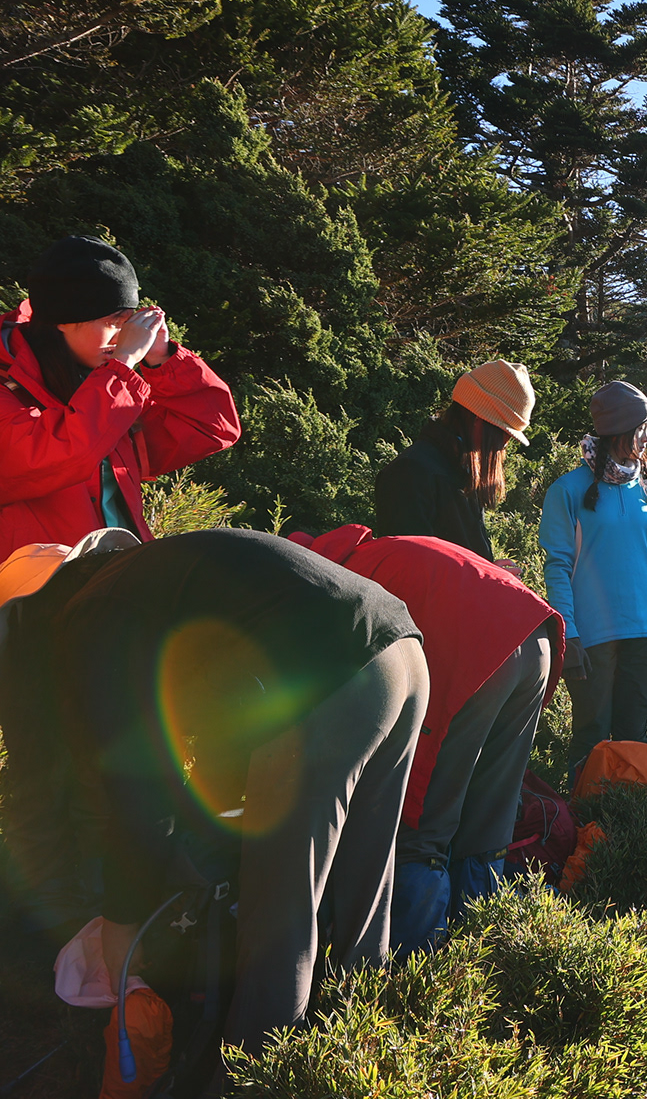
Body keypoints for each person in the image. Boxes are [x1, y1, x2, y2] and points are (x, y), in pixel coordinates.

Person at [0, 528, 427, 1055]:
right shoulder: (151, 581)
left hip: (330, 678)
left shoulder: (95, 617)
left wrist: (122, 923)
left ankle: (254, 1075)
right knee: (366, 891)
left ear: (33, 616)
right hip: (402, 652)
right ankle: (363, 1055)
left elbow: (141, 790)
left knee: (278, 921)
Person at [293, 524, 561, 953]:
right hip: (536, 637)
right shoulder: (388, 549)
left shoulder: (341, 581)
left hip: (481, 647)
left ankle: (418, 966)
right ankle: (484, 951)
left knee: (423, 821)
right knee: (490, 818)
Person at [0, 234, 241, 560]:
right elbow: (60, 454)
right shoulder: (12, 385)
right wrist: (124, 363)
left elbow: (212, 427)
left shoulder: (102, 385)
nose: (122, 336)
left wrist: (162, 358)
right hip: (37, 583)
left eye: (127, 323)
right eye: (112, 323)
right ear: (62, 320)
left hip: (120, 575)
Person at [539, 382, 647, 768]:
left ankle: (622, 810)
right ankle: (582, 807)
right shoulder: (567, 490)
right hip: (591, 637)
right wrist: (567, 633)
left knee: (632, 738)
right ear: (622, 430)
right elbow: (557, 567)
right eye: (643, 428)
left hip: (644, 632)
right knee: (590, 738)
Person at [375, 359, 535, 565]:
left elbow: (458, 562)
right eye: (505, 433)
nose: (504, 445)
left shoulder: (462, 469)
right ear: (479, 421)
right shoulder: (410, 473)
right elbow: (408, 570)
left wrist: (490, 571)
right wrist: (483, 577)